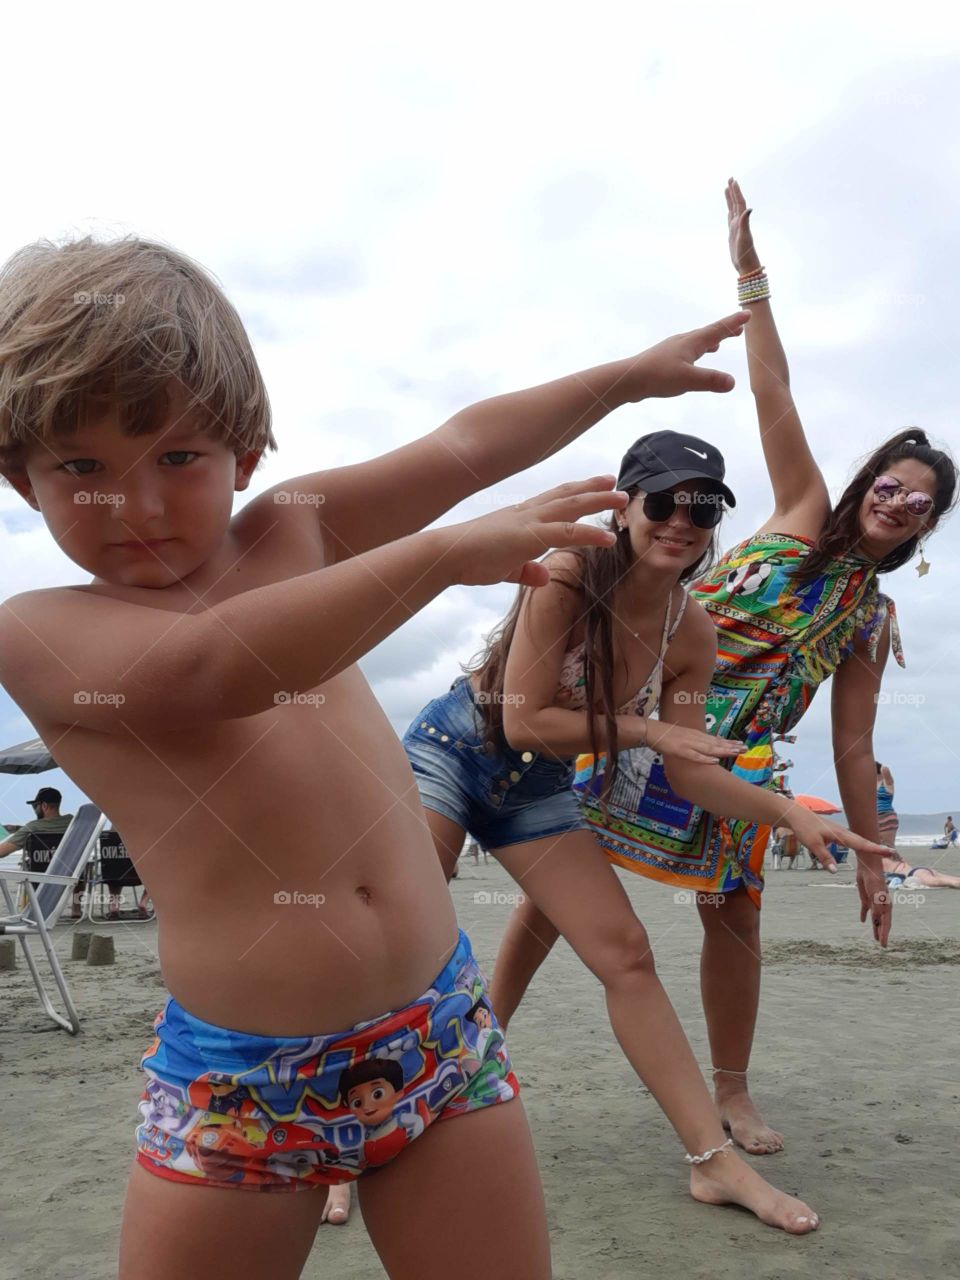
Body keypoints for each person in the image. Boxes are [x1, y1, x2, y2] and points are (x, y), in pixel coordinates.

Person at [0, 229, 751, 1280]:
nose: (139, 502)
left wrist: (621, 380)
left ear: (243, 454)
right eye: (81, 466)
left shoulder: (291, 531)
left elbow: (461, 449)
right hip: (249, 1078)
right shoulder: (38, 629)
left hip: (439, 1028)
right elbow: (210, 670)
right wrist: (442, 556)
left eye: (177, 455)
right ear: (22, 479)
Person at [491, 177, 958, 1161]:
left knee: (733, 910)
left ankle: (732, 1092)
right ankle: (482, 1045)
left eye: (921, 505)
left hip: (734, 752)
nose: (900, 504)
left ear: (927, 527)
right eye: (893, 484)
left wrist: (873, 855)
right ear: (868, 478)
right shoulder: (798, 510)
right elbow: (773, 390)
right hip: (638, 709)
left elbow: (856, 739)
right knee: (548, 891)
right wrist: (751, 276)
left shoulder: (871, 617)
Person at [404, 429, 893, 1234]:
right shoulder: (568, 573)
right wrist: (656, 734)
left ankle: (713, 1163)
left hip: (540, 788)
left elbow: (694, 773)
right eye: (663, 501)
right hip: (454, 752)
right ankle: (346, 1153)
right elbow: (525, 720)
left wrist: (788, 815)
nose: (682, 520)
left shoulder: (690, 633)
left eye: (702, 508)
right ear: (626, 505)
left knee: (626, 953)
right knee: (407, 936)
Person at [0, 787, 80, 915]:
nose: (35, 810)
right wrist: (17, 828)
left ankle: (36, 908)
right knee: (83, 866)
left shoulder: (32, 828)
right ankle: (77, 910)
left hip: (41, 875)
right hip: (72, 873)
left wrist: (22, 830)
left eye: (35, 806)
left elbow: (2, 852)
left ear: (44, 806)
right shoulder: (74, 823)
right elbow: (52, 826)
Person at [875, 762, 899, 847]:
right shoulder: (870, 784)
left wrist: (872, 763)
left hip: (886, 816)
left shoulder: (887, 782)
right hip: (874, 818)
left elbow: (885, 769)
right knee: (877, 848)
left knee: (888, 847)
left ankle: (897, 860)